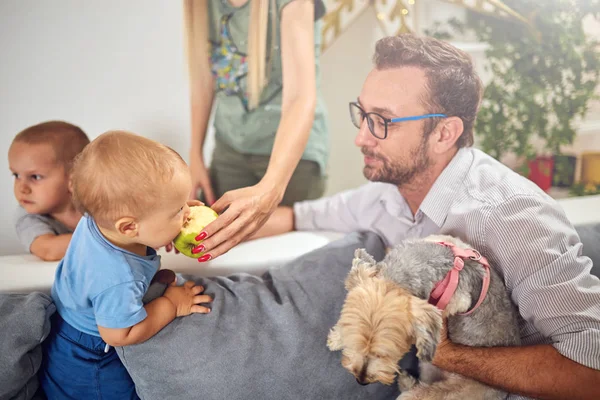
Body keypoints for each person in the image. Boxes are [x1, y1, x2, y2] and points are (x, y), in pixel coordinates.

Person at [239, 34, 599, 399]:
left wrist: (449, 355)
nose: (361, 138)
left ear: (445, 133)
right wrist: (195, 224)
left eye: (382, 121)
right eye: (362, 115)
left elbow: (592, 370)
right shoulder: (386, 193)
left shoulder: (513, 216)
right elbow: (298, 217)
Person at [39, 131, 213, 399]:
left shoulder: (99, 219)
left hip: (77, 310)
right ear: (130, 226)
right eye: (178, 209)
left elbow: (142, 222)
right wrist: (172, 305)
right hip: (92, 354)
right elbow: (120, 334)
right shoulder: (119, 278)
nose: (187, 212)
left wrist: (167, 219)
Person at [182, 0, 328, 261]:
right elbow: (204, 80)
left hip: (289, 158)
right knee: (226, 257)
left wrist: (272, 187)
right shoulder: (201, 5)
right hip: (229, 150)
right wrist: (195, 154)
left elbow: (299, 98)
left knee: (286, 264)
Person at [8, 121, 90, 261]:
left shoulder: (97, 203)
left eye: (35, 177)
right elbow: (48, 250)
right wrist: (112, 238)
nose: (22, 188)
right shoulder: (28, 217)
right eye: (16, 175)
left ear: (74, 178)